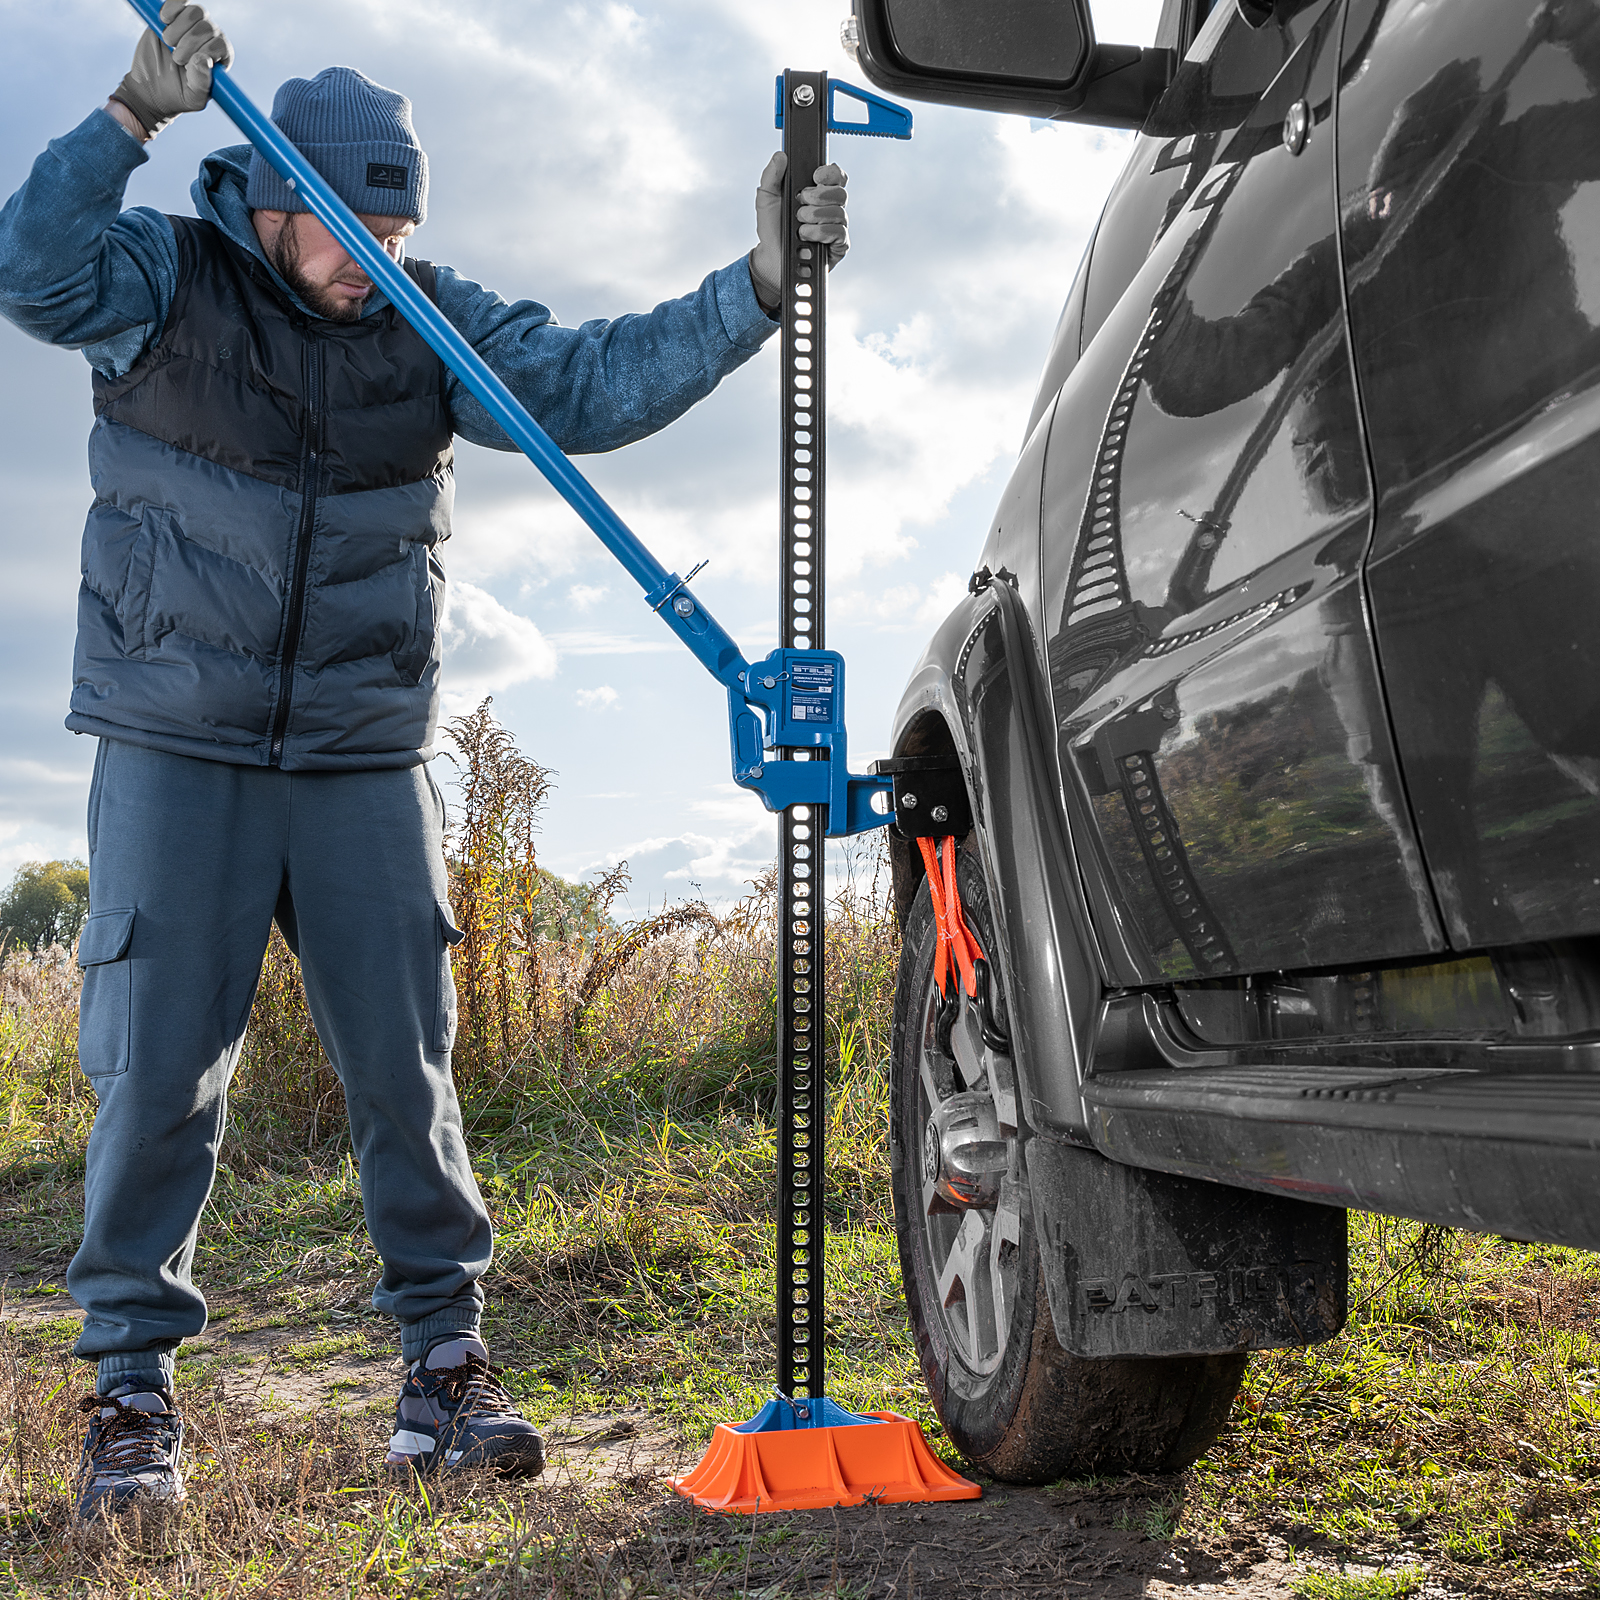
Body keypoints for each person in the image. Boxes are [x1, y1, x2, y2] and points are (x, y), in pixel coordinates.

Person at [0, 0, 849, 1522]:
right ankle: (130, 1395)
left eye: (400, 221)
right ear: (275, 202)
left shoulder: (427, 321)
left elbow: (589, 384)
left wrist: (761, 289)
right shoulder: (163, 283)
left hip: (361, 751)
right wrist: (127, 119)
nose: (379, 247)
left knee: (409, 1069)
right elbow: (27, 270)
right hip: (178, 740)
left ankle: (443, 1373)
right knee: (156, 1076)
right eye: (354, 220)